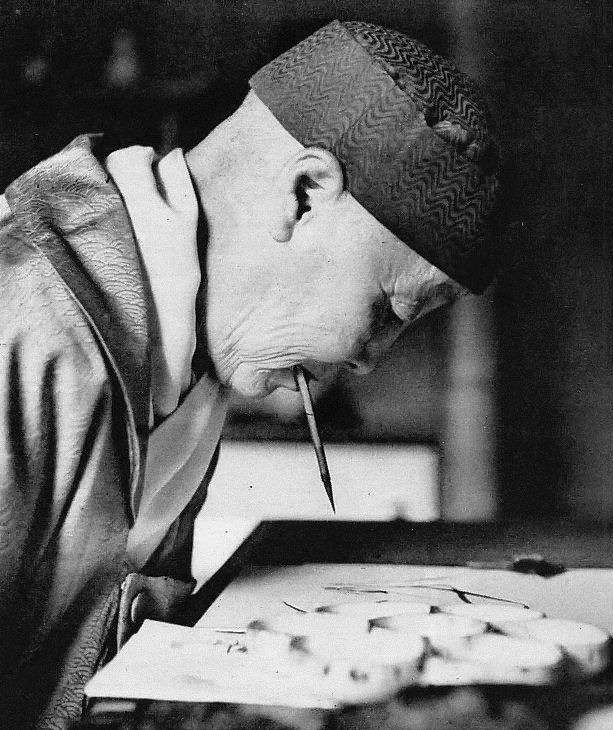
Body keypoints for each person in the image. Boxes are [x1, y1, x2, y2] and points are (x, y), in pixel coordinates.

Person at [0, 19, 499, 729]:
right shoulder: (22, 325)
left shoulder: (193, 338)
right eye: (387, 308)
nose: (368, 357)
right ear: (302, 192)